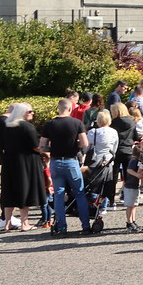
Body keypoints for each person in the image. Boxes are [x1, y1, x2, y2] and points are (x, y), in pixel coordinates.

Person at [40, 97, 92, 235]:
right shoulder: (77, 123)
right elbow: (85, 143)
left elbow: (42, 145)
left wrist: (52, 149)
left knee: (58, 195)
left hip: (56, 161)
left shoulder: (49, 124)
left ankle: (62, 226)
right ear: (70, 109)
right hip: (71, 161)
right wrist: (77, 145)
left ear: (58, 108)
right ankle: (85, 225)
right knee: (79, 193)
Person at [0, 104, 47, 231]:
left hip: (9, 162)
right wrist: (46, 152)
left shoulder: (8, 125)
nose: (32, 113)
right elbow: (36, 146)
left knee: (9, 191)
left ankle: (7, 222)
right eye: (30, 111)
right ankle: (24, 223)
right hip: (26, 163)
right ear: (22, 113)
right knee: (24, 191)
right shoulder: (27, 126)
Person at [86, 110, 118, 215]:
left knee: (94, 183)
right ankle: (104, 206)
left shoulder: (92, 132)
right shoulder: (113, 132)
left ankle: (93, 205)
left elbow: (87, 148)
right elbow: (115, 147)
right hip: (108, 160)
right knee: (106, 183)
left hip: (95, 160)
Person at [122, 147, 143, 232]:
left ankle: (133, 220)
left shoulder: (138, 161)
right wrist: (136, 175)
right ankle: (129, 222)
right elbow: (129, 170)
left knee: (134, 205)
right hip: (130, 186)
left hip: (135, 186)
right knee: (130, 205)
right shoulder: (133, 160)